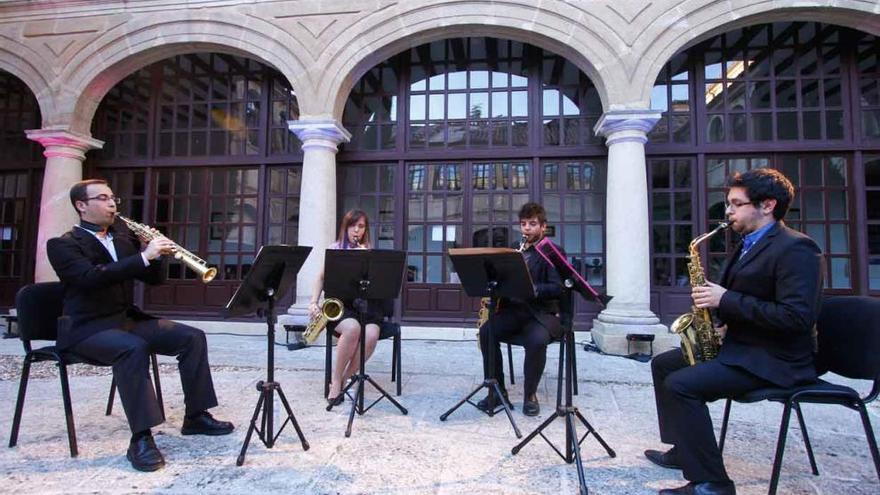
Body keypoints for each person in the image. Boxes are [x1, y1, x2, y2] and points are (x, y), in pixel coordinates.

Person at [646, 168, 823, 495]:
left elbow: (796, 317)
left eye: (736, 204)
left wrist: (726, 299)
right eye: (729, 204)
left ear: (767, 205)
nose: (727, 211)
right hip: (743, 347)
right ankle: (685, 449)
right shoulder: (747, 244)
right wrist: (721, 320)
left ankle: (713, 483)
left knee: (682, 384)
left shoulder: (797, 249)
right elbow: (751, 300)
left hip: (775, 360)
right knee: (664, 364)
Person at [46, 179, 234, 473]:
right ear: (81, 206)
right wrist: (144, 256)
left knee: (192, 337)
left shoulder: (122, 239)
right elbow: (90, 278)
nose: (112, 204)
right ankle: (141, 438)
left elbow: (153, 279)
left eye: (113, 198)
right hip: (86, 329)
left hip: (125, 321)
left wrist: (152, 253)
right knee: (132, 349)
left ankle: (196, 415)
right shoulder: (62, 244)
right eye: (103, 198)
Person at [477, 202, 563, 417]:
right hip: (514, 310)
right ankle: (498, 392)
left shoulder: (553, 252)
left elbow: (558, 288)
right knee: (487, 332)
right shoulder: (516, 248)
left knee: (536, 341)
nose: (527, 229)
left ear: (543, 227)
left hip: (541, 315)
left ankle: (530, 395)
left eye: (532, 224)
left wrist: (533, 288)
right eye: (523, 224)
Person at [309, 209, 385, 405]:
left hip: (366, 307)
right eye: (353, 226)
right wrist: (313, 302)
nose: (356, 231)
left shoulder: (369, 251)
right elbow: (320, 277)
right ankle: (335, 381)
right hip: (342, 307)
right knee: (352, 329)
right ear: (346, 227)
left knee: (371, 335)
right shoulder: (335, 249)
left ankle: (345, 378)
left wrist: (365, 260)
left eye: (361, 226)